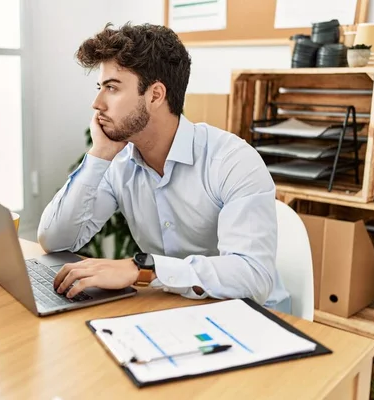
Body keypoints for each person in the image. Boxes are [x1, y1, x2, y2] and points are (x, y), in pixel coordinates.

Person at [37, 22, 290, 313]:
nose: (97, 103)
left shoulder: (232, 161)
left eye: (112, 88)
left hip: (255, 316)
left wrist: (145, 269)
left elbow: (253, 277)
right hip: (173, 310)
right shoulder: (117, 160)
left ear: (155, 95)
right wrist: (98, 155)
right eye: (100, 88)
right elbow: (55, 240)